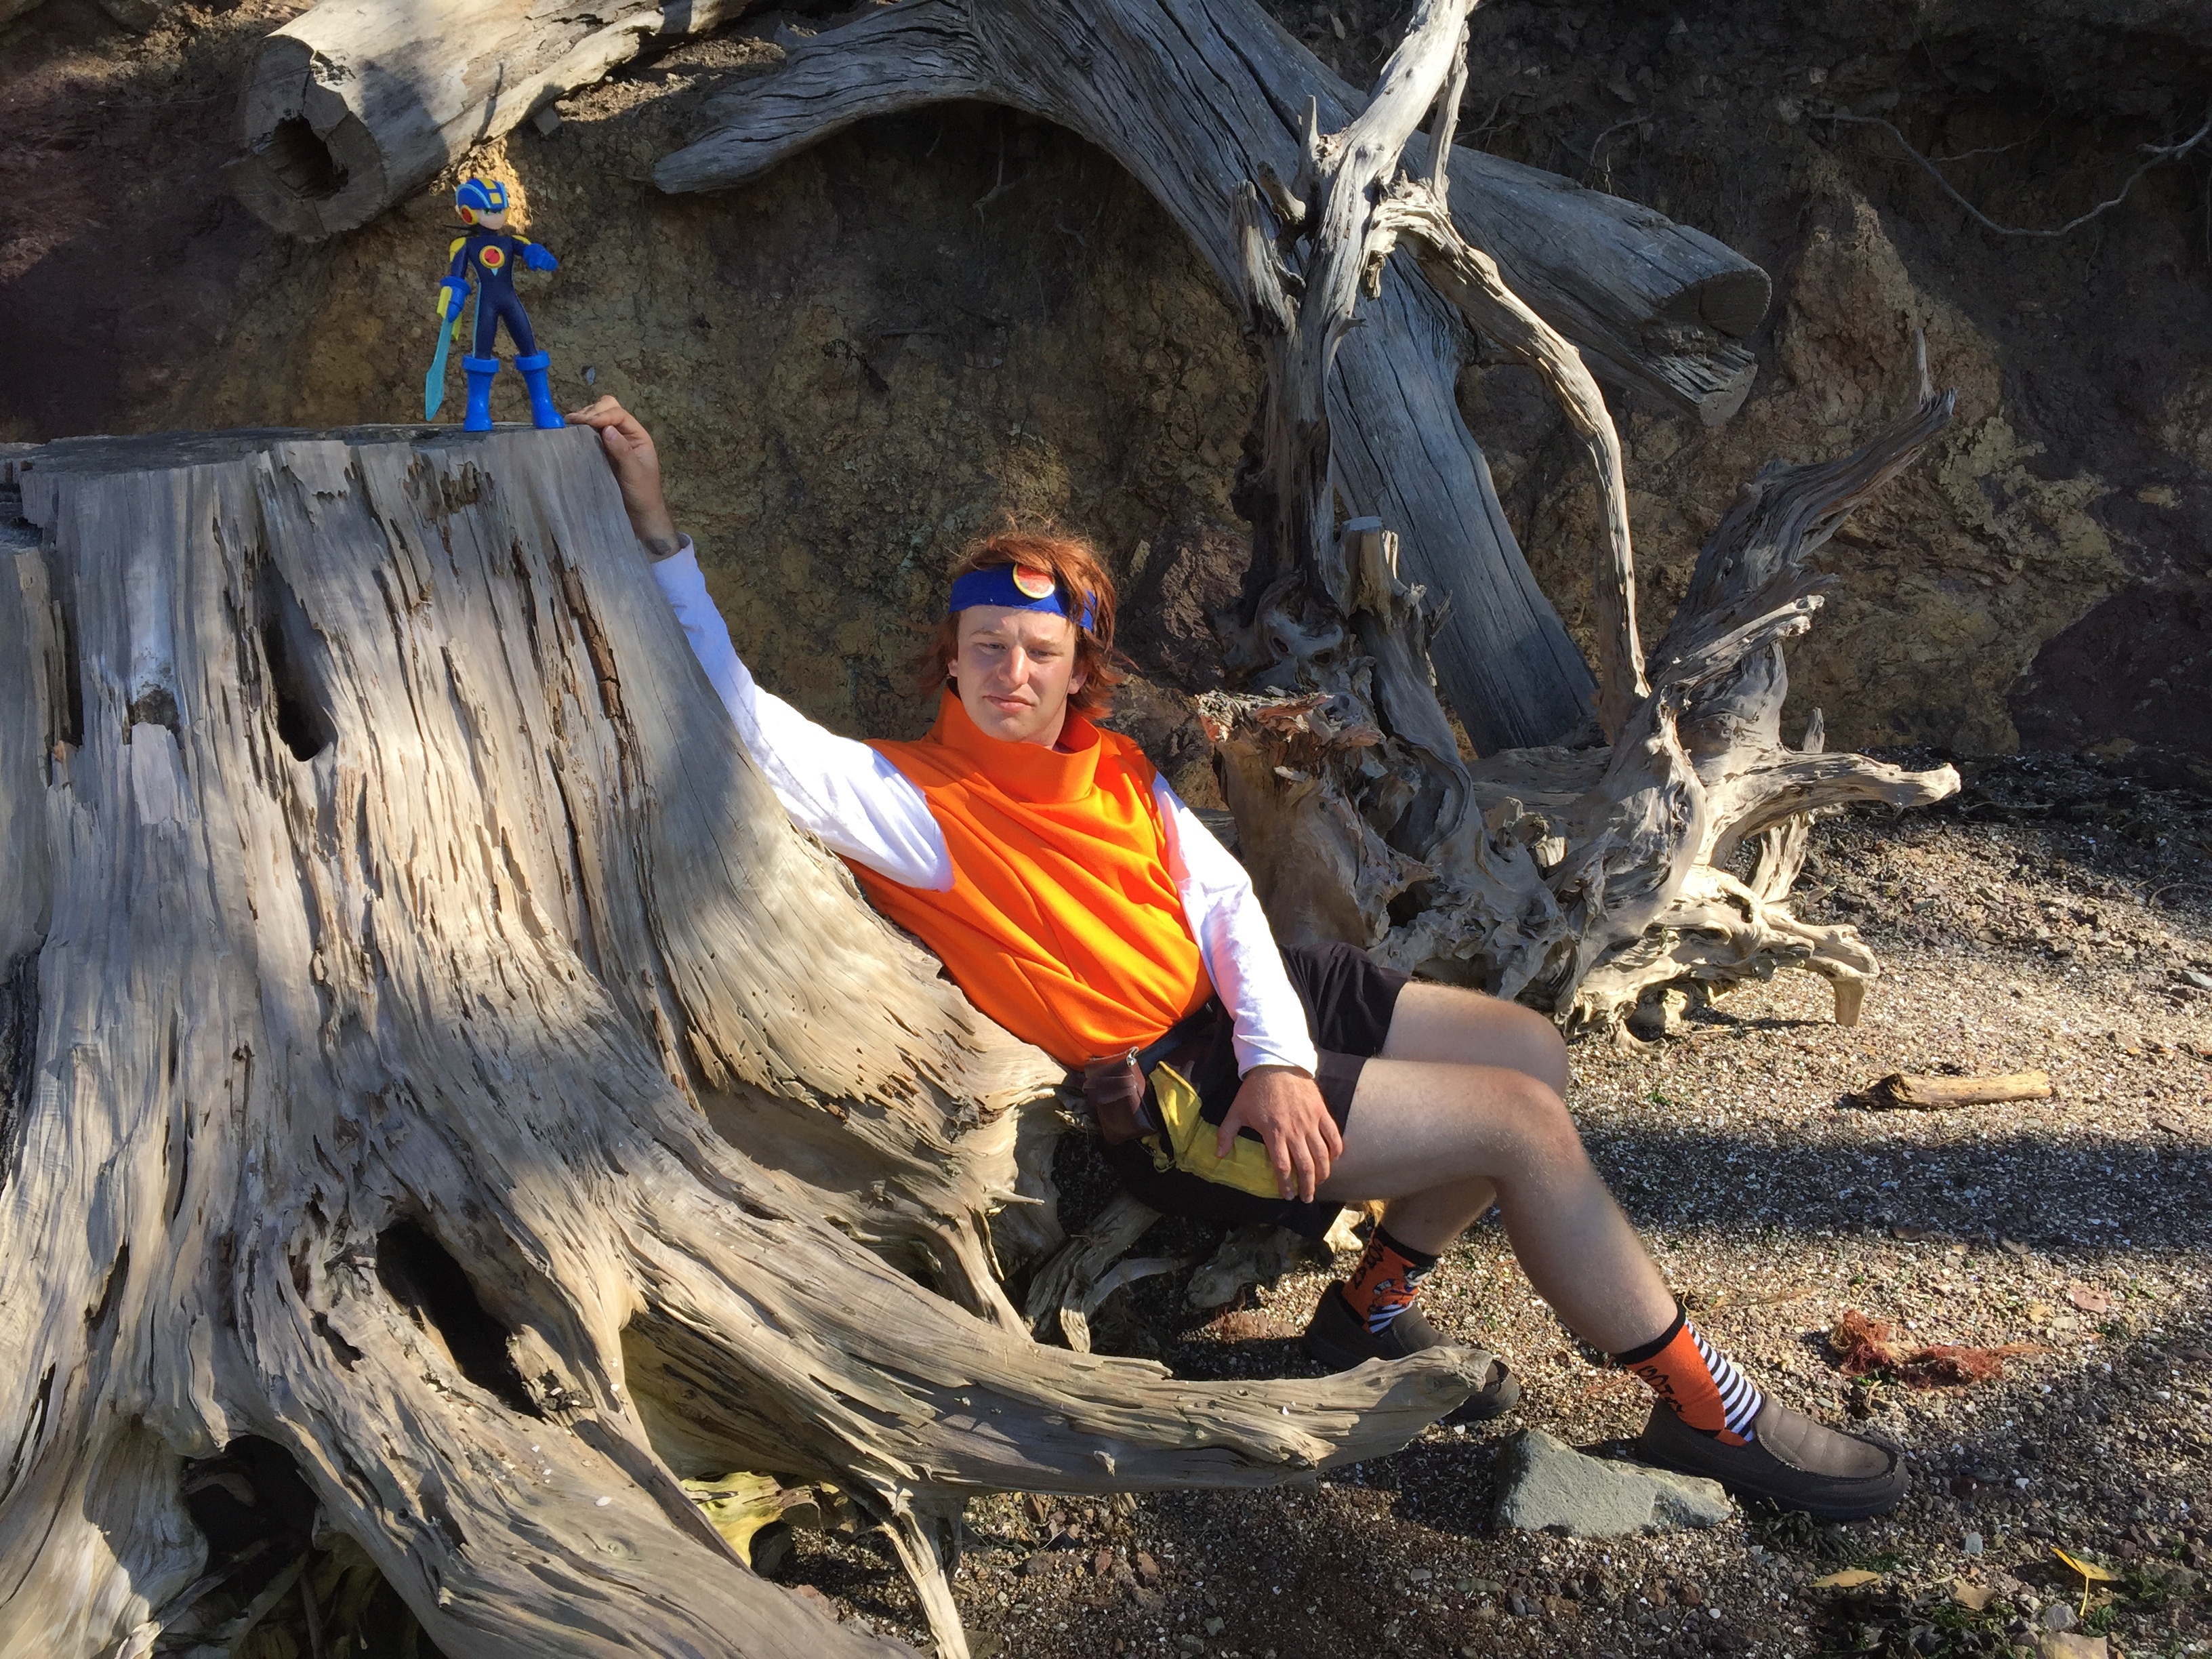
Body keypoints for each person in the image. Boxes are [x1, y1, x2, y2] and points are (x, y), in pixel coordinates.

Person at [569, 396, 1909, 1521]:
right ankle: (1709, 1409)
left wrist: (1277, 1052)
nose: (1011, 674)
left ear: (1078, 668)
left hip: (1241, 1019)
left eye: (1039, 651)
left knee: (1529, 1048)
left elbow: (1223, 908)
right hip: (1168, 1090)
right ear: (952, 658)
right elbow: (734, 712)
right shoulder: (907, 801)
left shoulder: (1111, 769)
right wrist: (654, 525)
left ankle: (1367, 1306)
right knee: (1521, 1127)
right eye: (987, 649)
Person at [434, 178, 564, 432]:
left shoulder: (511, 241)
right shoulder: (464, 245)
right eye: (489, 210)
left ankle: (543, 407)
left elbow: (529, 249)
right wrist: (454, 298)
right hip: (487, 304)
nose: (497, 216)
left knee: (530, 350)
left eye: (500, 209)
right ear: (468, 213)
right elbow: (456, 277)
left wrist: (538, 255)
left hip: (510, 300)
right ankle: (477, 410)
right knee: (481, 356)